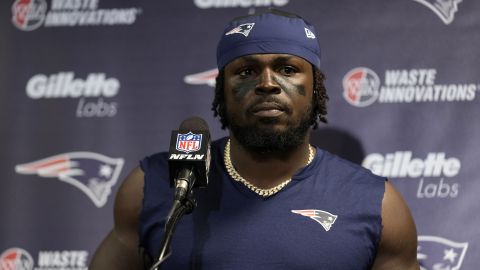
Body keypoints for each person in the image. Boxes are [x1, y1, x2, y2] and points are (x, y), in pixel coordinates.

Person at [90, 9, 420, 270]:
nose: (267, 84)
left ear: (316, 87)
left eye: (287, 69)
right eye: (246, 71)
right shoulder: (157, 185)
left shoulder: (376, 204)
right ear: (222, 90)